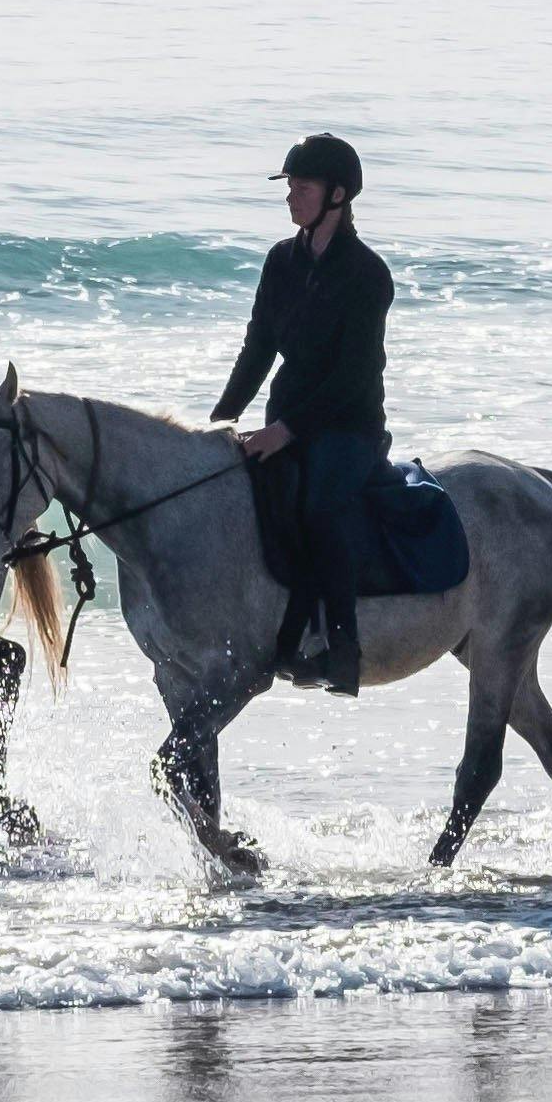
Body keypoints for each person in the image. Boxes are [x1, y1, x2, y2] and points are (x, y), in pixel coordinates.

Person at [212, 131, 399, 691]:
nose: (291, 196)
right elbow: (257, 350)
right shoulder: (281, 262)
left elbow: (353, 377)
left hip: (348, 427)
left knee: (319, 507)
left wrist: (286, 431)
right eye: (289, 186)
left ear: (338, 195)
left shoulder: (367, 275)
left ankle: (342, 647)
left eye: (303, 186)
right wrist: (219, 422)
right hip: (285, 418)